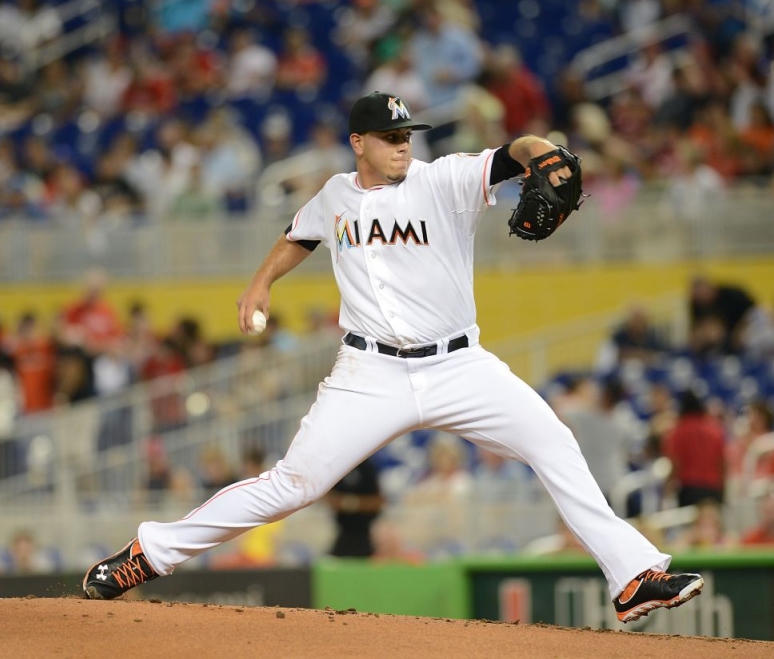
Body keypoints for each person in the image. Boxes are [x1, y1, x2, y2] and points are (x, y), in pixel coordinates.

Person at [81, 91, 703, 624]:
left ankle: (633, 577)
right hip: (369, 371)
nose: (402, 144)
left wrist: (541, 151)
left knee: (553, 443)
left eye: (407, 134)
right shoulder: (333, 195)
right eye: (389, 136)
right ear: (359, 143)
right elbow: (299, 234)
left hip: (460, 365)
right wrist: (260, 282)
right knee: (294, 485)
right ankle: (148, 553)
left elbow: (514, 152)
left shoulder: (445, 179)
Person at [325, 457, 384, 558]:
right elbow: (329, 498)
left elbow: (377, 502)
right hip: (342, 530)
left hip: (365, 532)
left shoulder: (367, 467)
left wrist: (348, 503)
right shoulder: (338, 467)